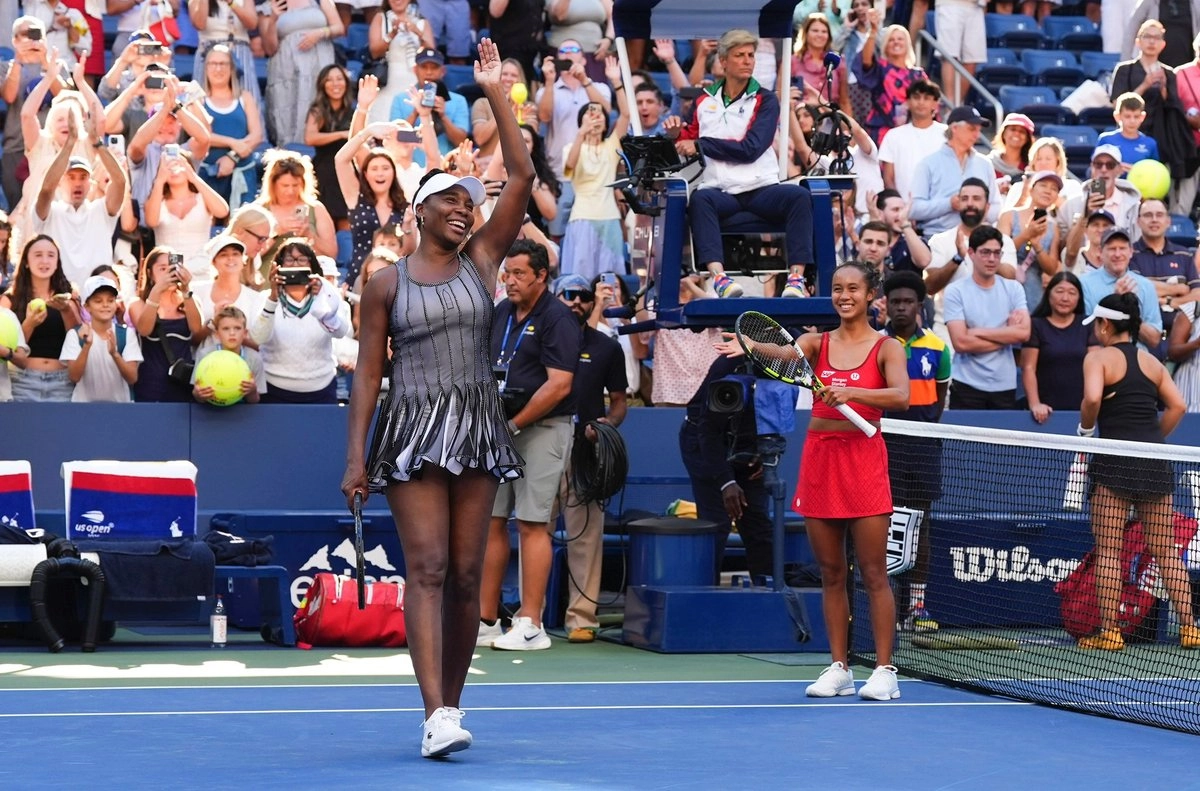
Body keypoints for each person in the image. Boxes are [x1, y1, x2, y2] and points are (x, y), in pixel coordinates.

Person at [341, 38, 534, 759]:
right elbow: (367, 375)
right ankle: (432, 713)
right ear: (419, 211)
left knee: (465, 575)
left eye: (468, 203)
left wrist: (495, 92)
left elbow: (522, 173)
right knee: (425, 568)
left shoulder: (483, 259)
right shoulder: (384, 283)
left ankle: (451, 706)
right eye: (450, 200)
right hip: (412, 429)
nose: (463, 209)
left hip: (477, 426)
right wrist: (355, 457)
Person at [717, 260, 909, 700]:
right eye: (837, 288)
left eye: (853, 289)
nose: (844, 296)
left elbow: (902, 396)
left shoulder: (887, 348)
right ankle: (839, 668)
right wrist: (748, 345)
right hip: (821, 461)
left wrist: (852, 392)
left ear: (870, 295)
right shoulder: (814, 343)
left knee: (874, 573)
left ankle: (885, 671)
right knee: (831, 573)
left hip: (864, 460)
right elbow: (781, 355)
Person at [1077, 292, 1198, 651]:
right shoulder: (1151, 361)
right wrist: (1152, 440)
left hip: (1114, 461)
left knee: (1109, 551)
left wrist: (1085, 431)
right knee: (1166, 551)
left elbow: (1092, 398)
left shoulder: (1097, 358)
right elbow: (1178, 405)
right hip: (1153, 460)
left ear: (1105, 325)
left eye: (1097, 324)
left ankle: (1110, 632)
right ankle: (1190, 629)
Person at [477, 239, 581, 651]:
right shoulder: (501, 312)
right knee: (491, 520)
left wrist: (514, 425)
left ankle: (531, 624)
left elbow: (560, 385)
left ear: (541, 276)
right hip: (501, 427)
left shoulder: (558, 318)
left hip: (541, 428)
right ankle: (486, 620)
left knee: (532, 522)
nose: (510, 281)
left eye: (519, 273)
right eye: (507, 273)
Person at [666, 28, 815, 299]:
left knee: (800, 197)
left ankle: (796, 279)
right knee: (699, 199)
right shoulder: (703, 100)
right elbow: (690, 138)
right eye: (740, 55)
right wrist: (677, 134)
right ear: (723, 61)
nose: (748, 61)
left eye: (751, 55)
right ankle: (719, 278)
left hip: (761, 189)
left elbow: (751, 149)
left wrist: (700, 144)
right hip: (722, 191)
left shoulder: (766, 99)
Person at [552, 273, 628, 643]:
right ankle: (526, 614)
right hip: (541, 445)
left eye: (584, 296)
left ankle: (581, 618)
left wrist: (606, 425)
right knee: (533, 530)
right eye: (569, 294)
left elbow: (619, 402)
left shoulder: (606, 347)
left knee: (585, 536)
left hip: (586, 451)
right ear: (555, 297)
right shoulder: (537, 340)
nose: (577, 301)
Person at [881, 270, 950, 633]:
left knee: (920, 525)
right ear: (886, 305)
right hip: (885, 445)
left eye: (908, 302)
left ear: (919, 305)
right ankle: (887, 605)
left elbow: (939, 399)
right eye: (895, 302)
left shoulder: (938, 347)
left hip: (923, 446)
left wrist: (921, 428)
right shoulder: (875, 344)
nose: (901, 308)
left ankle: (917, 607)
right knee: (884, 524)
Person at [250, 240, 350, 403]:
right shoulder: (264, 298)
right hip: (274, 388)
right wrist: (273, 299)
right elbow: (258, 338)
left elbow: (340, 332)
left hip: (321, 387)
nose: (295, 265)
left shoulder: (327, 295)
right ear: (278, 266)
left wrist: (323, 303)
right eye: (289, 260)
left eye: (302, 259)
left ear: (312, 265)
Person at [944, 225, 1031, 409]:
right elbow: (961, 343)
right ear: (971, 253)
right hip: (966, 384)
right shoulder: (956, 291)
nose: (992, 259)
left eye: (997, 253)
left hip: (1004, 384)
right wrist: (1007, 335)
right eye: (985, 252)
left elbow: (1024, 333)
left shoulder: (1013, 288)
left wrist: (976, 332)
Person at [560, 57, 629, 281]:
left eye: (600, 113)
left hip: (610, 219)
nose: (595, 117)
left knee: (611, 280)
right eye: (591, 113)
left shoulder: (611, 146)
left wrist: (616, 82)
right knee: (580, 280)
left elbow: (626, 115)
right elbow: (569, 168)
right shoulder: (571, 147)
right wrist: (582, 133)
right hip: (582, 218)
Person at [33, 124, 126, 288]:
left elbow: (120, 181)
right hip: (60, 296)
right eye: (71, 177)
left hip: (98, 297)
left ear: (90, 183)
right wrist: (69, 145)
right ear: (60, 182)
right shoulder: (50, 212)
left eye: (83, 177)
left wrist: (97, 143)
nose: (77, 183)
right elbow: (46, 189)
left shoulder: (101, 210)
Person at [0, 235, 80, 402]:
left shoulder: (68, 298)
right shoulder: (9, 300)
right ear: (26, 262)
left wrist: (66, 311)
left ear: (57, 262)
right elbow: (9, 350)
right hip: (21, 381)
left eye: (51, 255)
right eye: (38, 255)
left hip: (62, 382)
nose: (45, 261)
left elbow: (78, 342)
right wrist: (29, 324)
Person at [128, 246, 206, 403]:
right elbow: (144, 330)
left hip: (183, 382)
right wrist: (157, 291)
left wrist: (186, 289)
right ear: (150, 273)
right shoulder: (138, 303)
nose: (169, 273)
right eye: (163, 269)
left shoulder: (189, 300)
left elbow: (197, 329)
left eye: (173, 268)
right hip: (150, 384)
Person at [260, 0, 343, 146]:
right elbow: (269, 49)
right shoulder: (268, 7)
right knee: (287, 116)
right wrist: (273, 19)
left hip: (319, 65)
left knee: (318, 104)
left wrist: (320, 33)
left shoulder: (320, 1)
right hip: (287, 71)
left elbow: (339, 28)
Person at [909, 106, 999, 237]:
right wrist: (949, 204)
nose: (977, 135)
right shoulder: (928, 164)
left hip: (977, 239)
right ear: (954, 128)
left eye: (979, 130)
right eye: (972, 129)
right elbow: (913, 209)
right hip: (936, 237)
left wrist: (977, 209)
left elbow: (996, 206)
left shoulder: (985, 164)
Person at [1021, 272, 1096, 424]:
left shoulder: (1088, 324)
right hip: (1045, 410)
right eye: (1059, 291)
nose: (1065, 298)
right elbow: (1028, 368)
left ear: (1079, 297)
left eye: (1072, 293)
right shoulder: (1036, 325)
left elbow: (1095, 367)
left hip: (1081, 409)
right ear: (1048, 294)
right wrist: (1035, 404)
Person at [143, 152, 231, 282]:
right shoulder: (157, 201)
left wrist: (194, 177)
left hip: (201, 267)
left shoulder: (202, 198)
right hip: (169, 268)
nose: (174, 170)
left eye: (179, 165)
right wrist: (160, 180)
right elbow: (151, 221)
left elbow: (223, 211)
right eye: (168, 166)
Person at [199, 42, 265, 209]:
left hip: (243, 173)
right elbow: (200, 134)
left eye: (223, 64)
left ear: (232, 68)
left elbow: (256, 135)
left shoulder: (245, 97)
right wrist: (232, 142)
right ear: (206, 68)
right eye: (213, 63)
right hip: (208, 175)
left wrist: (232, 157)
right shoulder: (199, 99)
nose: (218, 68)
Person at [1081, 227, 1165, 352]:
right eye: (1112, 249)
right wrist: (1116, 303)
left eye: (1122, 248)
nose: (1117, 254)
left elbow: (1154, 339)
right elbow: (1085, 332)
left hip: (1138, 358)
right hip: (1102, 356)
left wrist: (1130, 312)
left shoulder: (1145, 286)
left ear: (1131, 252)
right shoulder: (1084, 283)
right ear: (1100, 252)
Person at [60, 275, 142, 402]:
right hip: (83, 408)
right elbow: (74, 377)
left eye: (110, 300)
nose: (105, 305)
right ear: (87, 306)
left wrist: (114, 354)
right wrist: (86, 346)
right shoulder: (75, 335)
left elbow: (132, 378)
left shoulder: (126, 334)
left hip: (120, 408)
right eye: (98, 301)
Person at [1058, 145, 1143, 260]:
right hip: (1082, 267)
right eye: (1098, 165)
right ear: (1092, 168)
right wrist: (1084, 216)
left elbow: (1138, 247)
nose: (1103, 170)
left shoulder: (1134, 206)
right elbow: (1062, 250)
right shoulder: (1071, 205)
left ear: (1119, 169)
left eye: (1110, 165)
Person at [851, 18, 926, 145]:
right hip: (881, 132)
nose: (896, 42)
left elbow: (928, 103)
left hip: (912, 134)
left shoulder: (918, 75)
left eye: (900, 39)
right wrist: (873, 31)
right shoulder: (880, 68)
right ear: (885, 45)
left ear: (907, 44)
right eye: (891, 39)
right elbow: (866, 62)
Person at [1130, 198, 1200, 335]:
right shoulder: (1129, 254)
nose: (1154, 219)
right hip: (1143, 336)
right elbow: (1136, 291)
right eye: (1148, 215)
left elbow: (1197, 294)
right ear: (1138, 222)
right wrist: (1178, 289)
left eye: (1159, 215)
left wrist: (1169, 301)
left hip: (1182, 337)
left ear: (1168, 221)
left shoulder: (1184, 254)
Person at [997, 170, 1063, 311]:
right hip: (1004, 283)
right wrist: (1026, 235)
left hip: (1033, 292)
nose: (1048, 191)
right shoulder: (1009, 215)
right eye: (1043, 185)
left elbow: (1051, 268)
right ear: (1031, 189)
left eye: (1054, 189)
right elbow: (998, 252)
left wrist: (1037, 246)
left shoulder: (1053, 227)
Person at [365, 0, 434, 124]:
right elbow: (374, 52)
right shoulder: (381, 18)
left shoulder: (422, 22)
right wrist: (392, 34)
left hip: (414, 78)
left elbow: (432, 55)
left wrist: (417, 32)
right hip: (389, 79)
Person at [876, 79, 945, 201]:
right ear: (907, 102)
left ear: (935, 104)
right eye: (916, 97)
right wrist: (899, 205)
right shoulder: (893, 136)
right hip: (904, 208)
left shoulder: (947, 134)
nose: (921, 102)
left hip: (942, 206)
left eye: (926, 98)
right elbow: (888, 178)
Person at [193, 305, 264, 405]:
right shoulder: (205, 355)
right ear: (217, 334)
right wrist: (199, 395)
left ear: (245, 333)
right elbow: (196, 395)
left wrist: (252, 392)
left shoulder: (255, 358)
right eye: (226, 329)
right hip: (210, 411)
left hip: (242, 411)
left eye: (237, 328)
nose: (232, 333)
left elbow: (255, 401)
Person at [1098, 92, 1160, 170]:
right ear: (1117, 116)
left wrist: (1136, 171)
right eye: (1127, 116)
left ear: (1142, 117)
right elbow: (1094, 169)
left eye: (1136, 116)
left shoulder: (1150, 144)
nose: (1132, 121)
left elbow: (1155, 171)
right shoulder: (1106, 140)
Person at [988, 113, 1036, 188]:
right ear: (1004, 133)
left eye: (1022, 131)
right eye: (1013, 129)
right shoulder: (988, 163)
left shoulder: (1032, 166)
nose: (1017, 133)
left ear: (1027, 139)